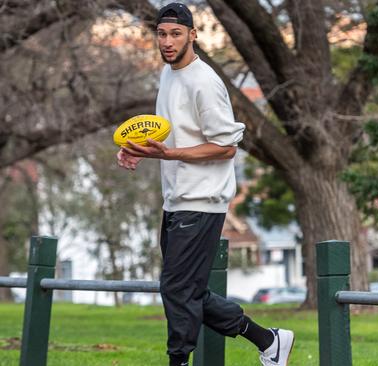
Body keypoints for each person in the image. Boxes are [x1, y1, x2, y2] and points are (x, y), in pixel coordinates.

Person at [116, 3, 294, 366]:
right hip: (175, 199)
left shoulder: (204, 82)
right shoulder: (168, 76)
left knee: (177, 288)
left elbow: (227, 147)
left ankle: (178, 360)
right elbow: (169, 137)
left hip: (202, 201)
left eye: (176, 34)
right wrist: (138, 151)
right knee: (188, 291)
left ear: (193, 35)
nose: (167, 41)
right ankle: (269, 341)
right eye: (162, 34)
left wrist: (170, 155)